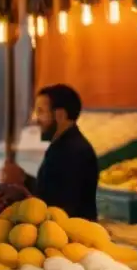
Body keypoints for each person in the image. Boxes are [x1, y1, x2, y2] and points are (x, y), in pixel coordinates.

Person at [23, 84, 99, 220]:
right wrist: (23, 180)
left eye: (40, 111)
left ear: (60, 115)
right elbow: (51, 187)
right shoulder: (63, 146)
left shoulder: (73, 152)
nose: (35, 119)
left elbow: (57, 205)